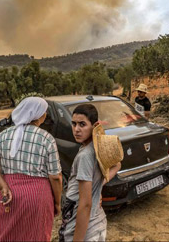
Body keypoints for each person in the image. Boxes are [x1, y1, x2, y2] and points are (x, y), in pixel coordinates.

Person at [0, 97, 62, 241]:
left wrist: (2, 186)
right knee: (36, 235)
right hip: (37, 196)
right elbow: (55, 176)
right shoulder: (47, 139)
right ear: (40, 116)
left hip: (9, 194)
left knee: (7, 234)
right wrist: (57, 202)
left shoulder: (4, 135)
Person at [59, 104, 122, 242]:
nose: (76, 129)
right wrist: (97, 186)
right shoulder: (97, 147)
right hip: (98, 223)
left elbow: (85, 204)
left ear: (94, 126)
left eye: (82, 124)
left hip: (84, 229)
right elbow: (117, 165)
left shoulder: (85, 155)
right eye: (74, 124)